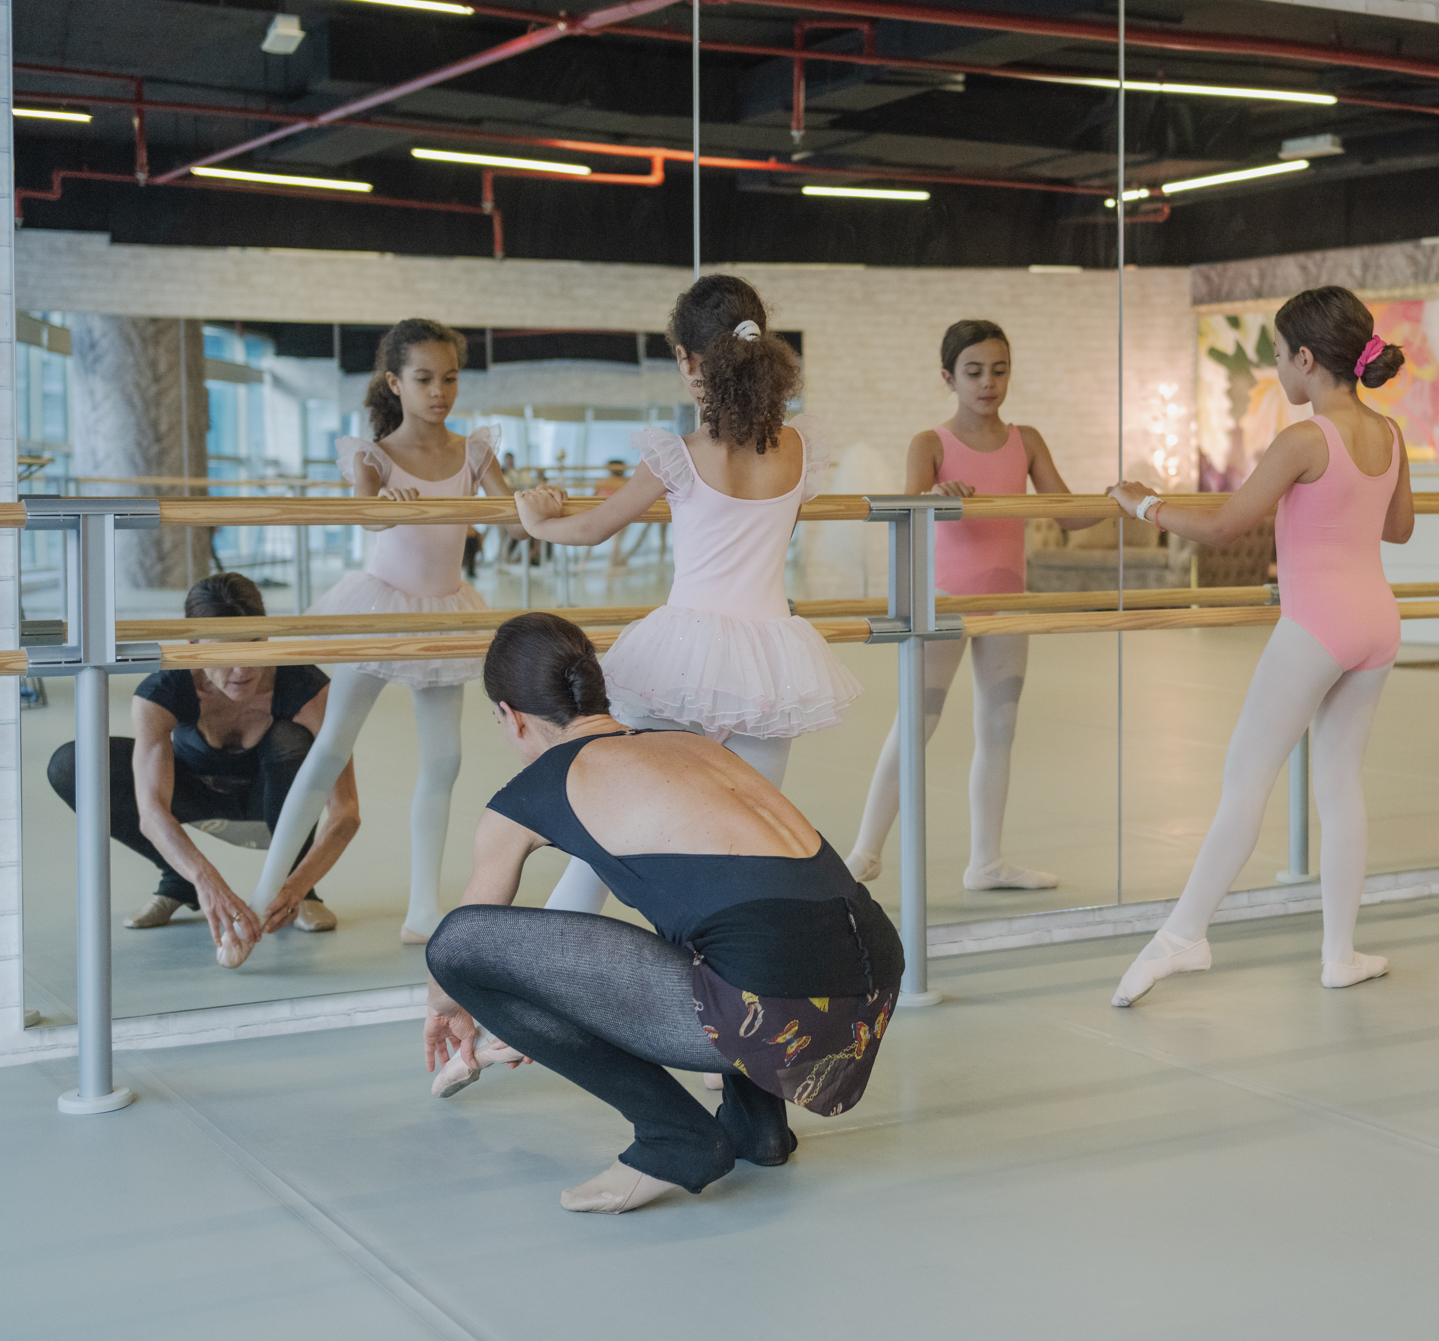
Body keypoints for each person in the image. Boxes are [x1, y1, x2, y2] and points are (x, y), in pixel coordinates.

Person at [422, 613, 902, 1214]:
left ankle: (675, 1138)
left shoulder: (527, 794)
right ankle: (759, 1128)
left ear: (510, 715)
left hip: (779, 1009)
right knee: (719, 922)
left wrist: (446, 1008)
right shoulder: (693, 747)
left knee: (456, 942)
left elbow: (464, 950)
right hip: (868, 997)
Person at [1105, 286, 1415, 1006]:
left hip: (1318, 624)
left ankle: (1184, 934)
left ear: (1306, 358)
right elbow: (1399, 528)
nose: (1277, 369)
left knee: (1246, 778)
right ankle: (1339, 953)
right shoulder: (1390, 433)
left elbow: (1224, 527)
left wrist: (1143, 502)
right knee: (1340, 783)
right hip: (1377, 620)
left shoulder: (1305, 439)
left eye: (1277, 355)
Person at [516, 275, 861, 916]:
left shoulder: (679, 454)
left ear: (686, 360)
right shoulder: (798, 447)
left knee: (611, 826)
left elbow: (593, 529)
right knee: (750, 836)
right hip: (770, 665)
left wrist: (537, 523)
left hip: (679, 661)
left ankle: (548, 956)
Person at [245, 319, 525, 961]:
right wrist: (385, 506)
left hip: (444, 612)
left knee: (445, 760)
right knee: (331, 747)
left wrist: (538, 501)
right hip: (380, 606)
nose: (440, 392)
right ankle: (264, 893)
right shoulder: (372, 455)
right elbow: (363, 513)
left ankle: (423, 907)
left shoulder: (476, 452)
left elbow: (514, 522)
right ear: (395, 383)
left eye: (450, 378)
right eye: (424, 379)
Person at [841, 319, 1095, 892]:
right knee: (916, 724)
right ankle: (865, 852)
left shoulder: (1027, 440)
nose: (988, 383)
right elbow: (904, 510)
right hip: (946, 601)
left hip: (1007, 603)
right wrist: (933, 495)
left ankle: (986, 862)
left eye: (999, 371)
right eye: (974, 371)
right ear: (948, 377)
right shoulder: (930, 443)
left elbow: (1067, 512)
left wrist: (1125, 501)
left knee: (999, 727)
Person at [46, 574, 361, 962]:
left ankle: (294, 888)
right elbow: (152, 812)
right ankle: (178, 879)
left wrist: (297, 885)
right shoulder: (162, 691)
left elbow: (346, 811)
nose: (242, 671)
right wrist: (205, 880)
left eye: (254, 646)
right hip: (196, 795)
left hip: (275, 806)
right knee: (73, 764)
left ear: (267, 636)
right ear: (193, 646)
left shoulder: (307, 688)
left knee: (290, 740)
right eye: (224, 654)